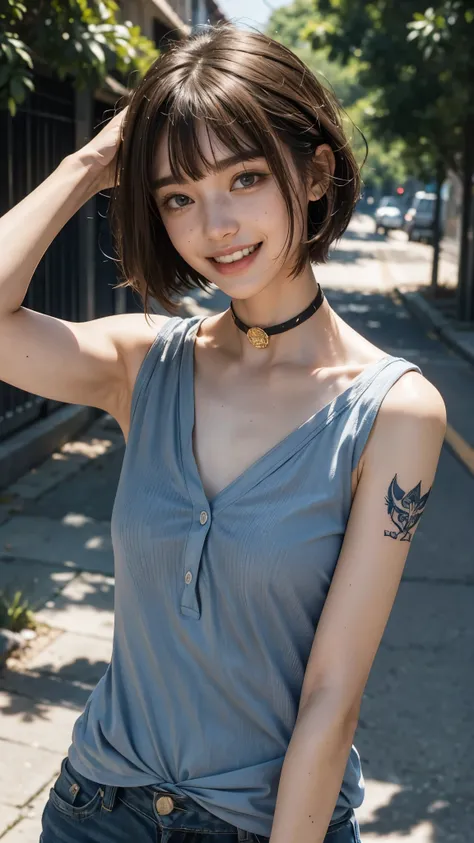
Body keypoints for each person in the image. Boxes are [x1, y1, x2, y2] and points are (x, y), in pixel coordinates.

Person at [0, 23, 446, 843]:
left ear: (313, 174)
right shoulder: (145, 362)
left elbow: (331, 697)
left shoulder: (392, 410)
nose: (215, 225)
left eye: (244, 177)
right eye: (177, 194)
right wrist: (91, 163)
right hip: (97, 809)